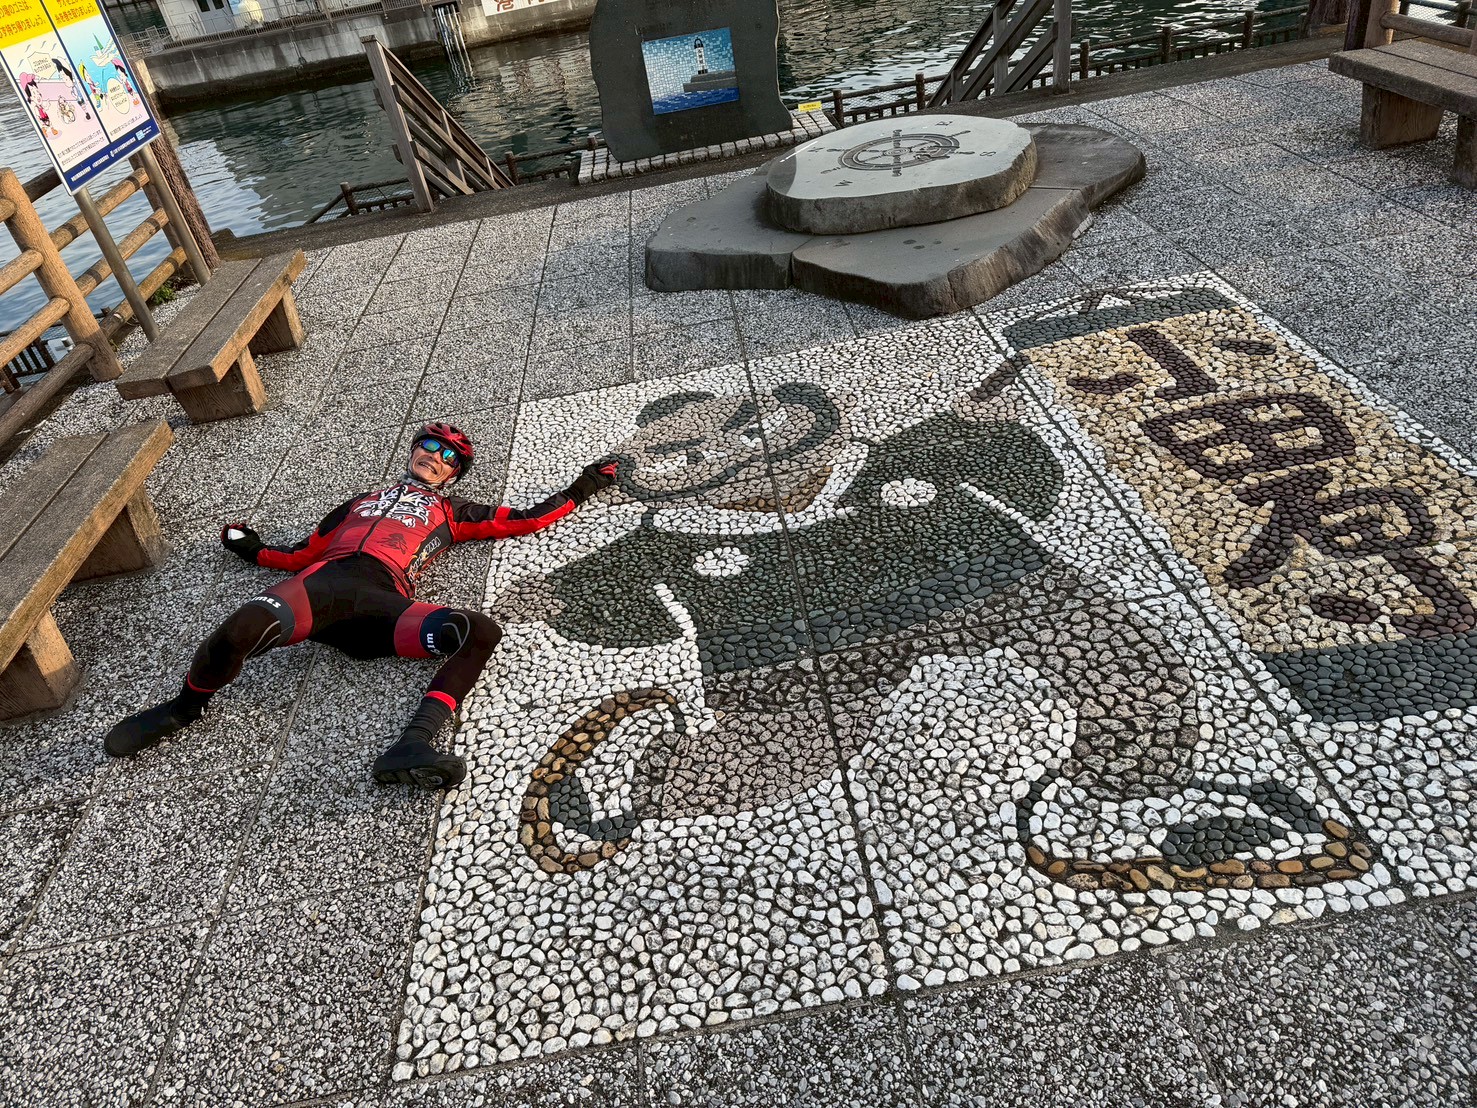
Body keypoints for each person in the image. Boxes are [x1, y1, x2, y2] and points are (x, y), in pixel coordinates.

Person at [104, 423, 618, 788]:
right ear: (413, 451)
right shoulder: (357, 503)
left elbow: (529, 518)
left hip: (382, 604)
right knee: (239, 628)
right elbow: (300, 555)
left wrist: (587, 483)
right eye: (429, 445)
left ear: (453, 476)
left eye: (449, 457)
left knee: (479, 631)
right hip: (320, 586)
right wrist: (251, 548)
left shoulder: (455, 512)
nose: (436, 456)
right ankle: (186, 707)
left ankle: (413, 743)